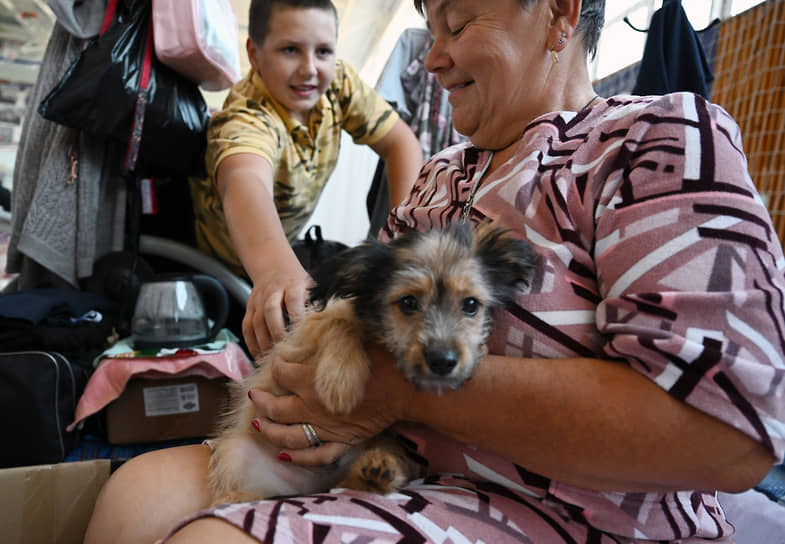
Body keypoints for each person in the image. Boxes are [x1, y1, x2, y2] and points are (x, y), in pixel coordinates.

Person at [85, 0, 785, 542]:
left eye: (454, 23)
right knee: (135, 496)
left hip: (571, 512)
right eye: (428, 27)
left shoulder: (657, 142)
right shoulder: (440, 176)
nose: (431, 59)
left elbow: (727, 435)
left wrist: (397, 393)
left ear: (560, 12)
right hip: (385, 463)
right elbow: (345, 313)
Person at [189, 0, 423, 358]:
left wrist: (404, 241)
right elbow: (244, 179)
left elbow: (401, 144)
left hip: (285, 246)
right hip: (221, 269)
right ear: (254, 54)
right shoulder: (247, 116)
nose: (309, 69)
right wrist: (276, 274)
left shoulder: (338, 83)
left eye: (324, 51)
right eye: (289, 50)